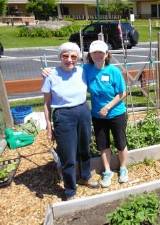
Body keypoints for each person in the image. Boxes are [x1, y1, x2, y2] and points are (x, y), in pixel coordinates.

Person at [41, 42, 98, 201]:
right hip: (63, 115)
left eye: (73, 56)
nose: (69, 60)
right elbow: (46, 103)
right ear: (60, 57)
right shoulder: (51, 75)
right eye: (65, 56)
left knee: (85, 149)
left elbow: (99, 65)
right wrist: (48, 126)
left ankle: (85, 176)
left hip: (82, 111)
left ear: (78, 58)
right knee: (68, 155)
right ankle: (70, 190)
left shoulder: (82, 71)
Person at [84, 40, 129, 188]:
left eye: (101, 52)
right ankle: (108, 172)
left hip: (116, 113)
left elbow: (122, 93)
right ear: (90, 55)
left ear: (106, 54)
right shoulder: (86, 69)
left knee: (120, 143)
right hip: (98, 116)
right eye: (94, 52)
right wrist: (50, 71)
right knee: (103, 145)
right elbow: (68, 70)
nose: (98, 55)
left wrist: (108, 107)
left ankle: (123, 169)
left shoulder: (113, 71)